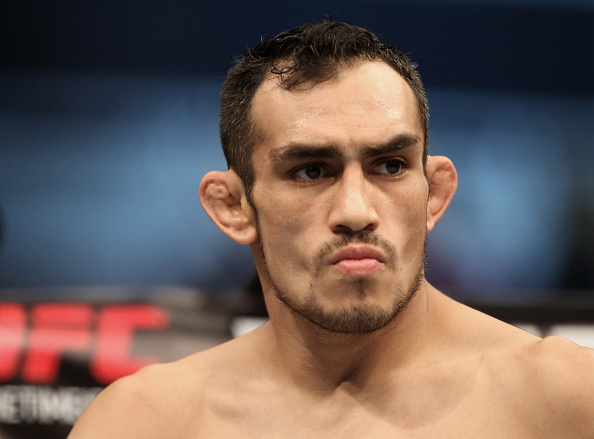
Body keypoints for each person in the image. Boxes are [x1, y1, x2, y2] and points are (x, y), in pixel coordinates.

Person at [68, 21, 594, 438]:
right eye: (310, 171)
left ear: (433, 193)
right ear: (233, 206)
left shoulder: (568, 399)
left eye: (390, 165)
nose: (356, 211)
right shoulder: (142, 424)